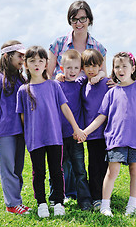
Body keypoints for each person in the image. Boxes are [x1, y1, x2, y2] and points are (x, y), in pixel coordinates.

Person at [15, 46, 86, 218]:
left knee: (57, 171)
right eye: (32, 61)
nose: (37, 64)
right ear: (26, 64)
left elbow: (65, 108)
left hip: (55, 137)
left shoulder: (54, 86)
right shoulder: (23, 90)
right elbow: (23, 118)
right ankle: (41, 203)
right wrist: (29, 135)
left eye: (41, 60)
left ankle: (58, 202)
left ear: (47, 63)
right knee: (38, 172)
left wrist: (76, 128)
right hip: (35, 140)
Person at [47, 0, 108, 199]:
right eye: (75, 18)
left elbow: (103, 76)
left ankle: (91, 192)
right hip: (63, 104)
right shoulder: (58, 44)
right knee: (63, 153)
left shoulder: (98, 46)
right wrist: (57, 79)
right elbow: (48, 75)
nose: (79, 22)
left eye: (83, 18)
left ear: (89, 19)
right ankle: (66, 191)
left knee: (85, 154)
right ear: (70, 20)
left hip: (88, 106)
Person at [82, 52, 136, 216]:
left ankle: (131, 205)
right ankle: (105, 205)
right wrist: (85, 132)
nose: (120, 69)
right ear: (113, 69)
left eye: (124, 66)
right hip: (116, 139)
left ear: (132, 68)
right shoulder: (111, 93)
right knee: (111, 172)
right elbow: (101, 117)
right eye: (117, 66)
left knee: (135, 170)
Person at [0, 40, 31, 215]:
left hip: (21, 131)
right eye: (19, 56)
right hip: (5, 131)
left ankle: (16, 201)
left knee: (18, 168)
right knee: (8, 169)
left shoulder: (21, 78)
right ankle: (12, 204)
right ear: (7, 56)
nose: (23, 58)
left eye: (24, 56)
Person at [54, 49, 92, 211]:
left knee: (80, 169)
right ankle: (57, 198)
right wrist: (56, 77)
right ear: (61, 69)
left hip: (76, 135)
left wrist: (98, 76)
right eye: (68, 68)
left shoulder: (80, 82)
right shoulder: (57, 85)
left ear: (81, 69)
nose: (72, 71)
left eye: (76, 68)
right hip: (58, 136)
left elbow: (99, 73)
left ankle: (84, 200)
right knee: (58, 169)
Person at [80, 49, 111, 210]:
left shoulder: (106, 82)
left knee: (106, 165)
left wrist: (102, 75)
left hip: (107, 133)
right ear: (82, 68)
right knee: (93, 166)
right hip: (91, 135)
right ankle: (96, 197)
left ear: (100, 66)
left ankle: (105, 196)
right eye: (87, 66)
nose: (91, 69)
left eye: (94, 66)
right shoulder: (83, 84)